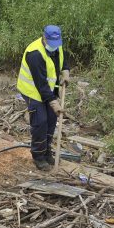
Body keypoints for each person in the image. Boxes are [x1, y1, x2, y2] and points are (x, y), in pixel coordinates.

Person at [17, 25, 70, 171]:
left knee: (51, 120)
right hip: (33, 90)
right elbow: (41, 84)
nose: (55, 46)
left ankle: (47, 152)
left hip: (49, 89)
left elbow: (62, 59)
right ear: (44, 38)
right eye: (51, 43)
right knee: (40, 122)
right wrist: (54, 103)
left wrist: (65, 71)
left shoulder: (56, 45)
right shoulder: (34, 54)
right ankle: (38, 157)